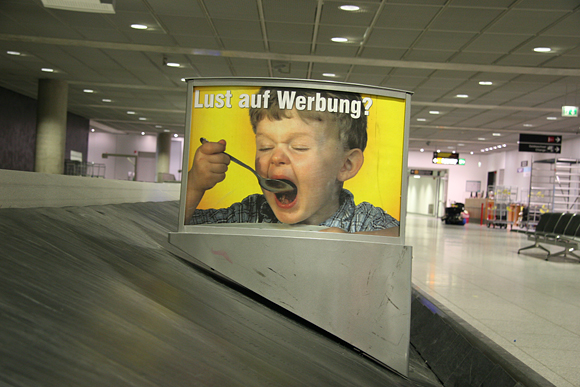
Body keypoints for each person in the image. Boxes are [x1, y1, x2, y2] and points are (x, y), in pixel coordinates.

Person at [185, 87, 399, 236]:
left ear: (346, 165)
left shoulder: (362, 221)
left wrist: (351, 243)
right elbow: (181, 225)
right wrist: (193, 185)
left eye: (299, 147)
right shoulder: (249, 214)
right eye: (265, 147)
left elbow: (399, 236)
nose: (276, 158)